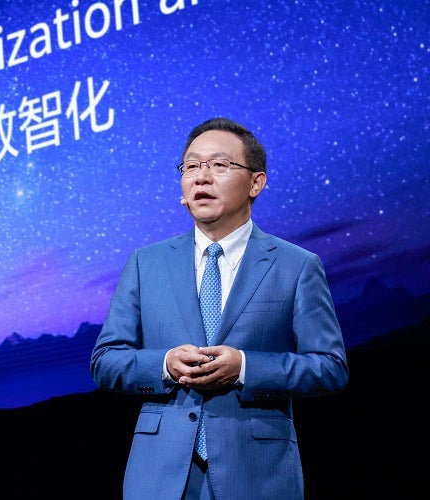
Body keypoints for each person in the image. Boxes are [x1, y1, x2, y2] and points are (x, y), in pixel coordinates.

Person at [90, 117, 349, 499]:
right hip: (160, 477)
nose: (201, 177)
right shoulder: (146, 263)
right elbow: (106, 360)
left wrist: (244, 368)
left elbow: (330, 367)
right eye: (191, 166)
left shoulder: (296, 266)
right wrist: (165, 365)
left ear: (256, 183)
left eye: (219, 165)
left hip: (258, 476)